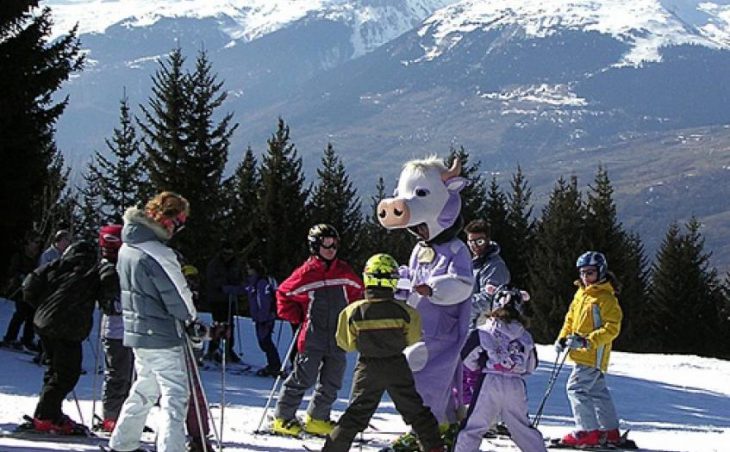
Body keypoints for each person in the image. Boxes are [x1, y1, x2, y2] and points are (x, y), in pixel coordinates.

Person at [108, 192, 201, 452]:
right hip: (162, 333)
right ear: (166, 219)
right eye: (178, 221)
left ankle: (122, 443)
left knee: (145, 388)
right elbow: (179, 296)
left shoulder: (128, 246)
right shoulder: (159, 253)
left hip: (138, 330)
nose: (177, 228)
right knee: (175, 395)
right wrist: (192, 319)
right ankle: (172, 447)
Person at [323, 254, 445, 452]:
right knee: (415, 411)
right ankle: (434, 448)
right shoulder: (406, 311)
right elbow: (413, 338)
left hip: (367, 367)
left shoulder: (352, 311)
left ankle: (333, 449)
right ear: (394, 280)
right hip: (397, 365)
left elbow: (345, 343)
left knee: (356, 413)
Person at [271, 224, 364, 437]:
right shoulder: (307, 273)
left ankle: (318, 418)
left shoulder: (343, 271)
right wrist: (297, 317)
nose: (331, 249)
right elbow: (284, 294)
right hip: (313, 336)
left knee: (332, 380)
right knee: (303, 377)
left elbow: (359, 291)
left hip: (338, 335)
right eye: (326, 244)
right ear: (315, 246)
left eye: (334, 244)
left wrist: (352, 318)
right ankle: (283, 417)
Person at [22, 240, 118, 434]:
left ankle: (49, 414)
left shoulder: (57, 265)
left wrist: (41, 307)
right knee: (66, 374)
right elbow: (108, 290)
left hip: (43, 323)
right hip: (69, 328)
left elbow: (29, 284)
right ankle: (45, 417)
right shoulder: (93, 270)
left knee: (54, 371)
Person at [453, 286, 546, 452]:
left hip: (490, 381)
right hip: (515, 384)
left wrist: (478, 367)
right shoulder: (525, 336)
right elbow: (531, 365)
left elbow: (466, 358)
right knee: (521, 426)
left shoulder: (484, 331)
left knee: (475, 425)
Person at [554, 251, 623, 448]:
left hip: (593, 353)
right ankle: (610, 431)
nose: (586, 277)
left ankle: (587, 432)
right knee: (597, 391)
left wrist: (587, 341)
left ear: (600, 272)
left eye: (590, 273)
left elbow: (612, 328)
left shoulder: (605, 298)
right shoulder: (581, 294)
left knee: (575, 388)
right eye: (583, 273)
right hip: (580, 352)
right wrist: (562, 338)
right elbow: (570, 319)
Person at [97, 224, 135, 434]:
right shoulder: (109, 270)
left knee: (129, 376)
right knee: (117, 375)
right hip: (115, 329)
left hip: (129, 329)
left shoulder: (120, 266)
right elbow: (110, 303)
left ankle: (123, 416)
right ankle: (111, 417)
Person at [205, 240, 243, 363]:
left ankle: (228, 349)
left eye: (230, 254)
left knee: (229, 324)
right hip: (217, 298)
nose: (228, 256)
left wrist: (237, 286)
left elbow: (239, 277)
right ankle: (213, 348)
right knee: (218, 324)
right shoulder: (215, 264)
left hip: (229, 299)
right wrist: (223, 285)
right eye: (226, 253)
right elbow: (211, 279)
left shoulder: (235, 263)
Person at [2, 234, 41, 351]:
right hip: (20, 289)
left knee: (31, 315)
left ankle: (27, 339)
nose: (37, 245)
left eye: (38, 243)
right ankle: (10, 338)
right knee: (20, 314)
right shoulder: (19, 256)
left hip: (32, 290)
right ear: (28, 243)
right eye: (35, 242)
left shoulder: (37, 257)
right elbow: (12, 270)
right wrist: (21, 276)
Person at [244, 259, 282, 377]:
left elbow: (263, 301)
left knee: (265, 342)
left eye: (249, 268)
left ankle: (275, 366)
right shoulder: (255, 282)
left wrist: (263, 317)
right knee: (264, 342)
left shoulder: (261, 282)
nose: (247, 271)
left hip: (264, 318)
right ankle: (273, 365)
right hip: (262, 317)